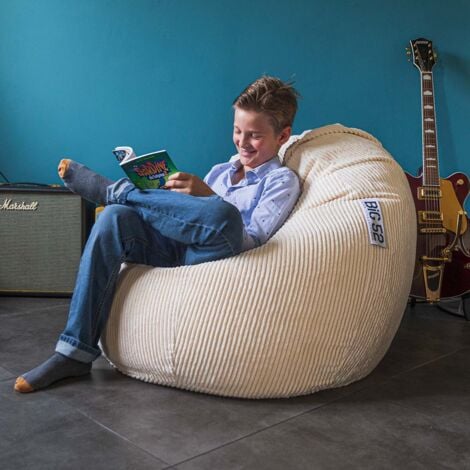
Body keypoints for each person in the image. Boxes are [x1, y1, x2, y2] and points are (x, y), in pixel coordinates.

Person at [14, 75, 301, 393]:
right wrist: (173, 196)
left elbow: (252, 239)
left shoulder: (281, 180)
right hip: (176, 244)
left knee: (225, 216)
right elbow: (190, 216)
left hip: (216, 252)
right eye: (237, 131)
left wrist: (210, 198)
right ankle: (73, 353)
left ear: (282, 136)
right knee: (114, 217)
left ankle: (114, 191)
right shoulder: (221, 171)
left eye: (255, 136)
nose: (242, 142)